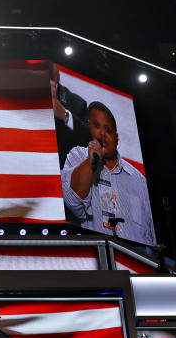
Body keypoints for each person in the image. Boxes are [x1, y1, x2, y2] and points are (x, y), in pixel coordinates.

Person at [60, 101, 155, 245]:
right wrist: (90, 162)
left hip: (137, 261)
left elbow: (151, 233)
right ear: (88, 129)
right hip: (101, 258)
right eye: (96, 126)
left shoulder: (139, 180)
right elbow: (73, 203)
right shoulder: (78, 156)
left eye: (109, 130)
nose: (103, 133)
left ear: (117, 138)